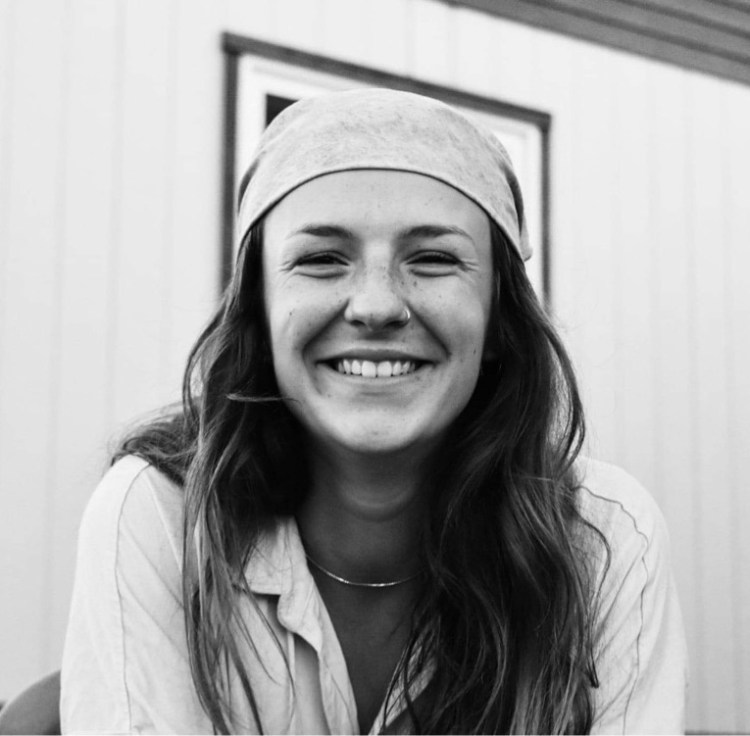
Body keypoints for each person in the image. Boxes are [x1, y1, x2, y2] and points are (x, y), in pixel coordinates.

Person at [60, 88, 687, 734]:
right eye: (321, 260)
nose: (377, 306)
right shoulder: (161, 519)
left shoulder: (606, 543)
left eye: (434, 259)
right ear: (258, 309)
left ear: (499, 317)